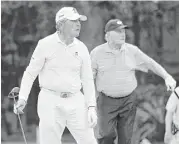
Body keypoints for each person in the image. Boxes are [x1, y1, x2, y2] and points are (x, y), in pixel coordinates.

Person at [14, 7, 98, 144]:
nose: (78, 24)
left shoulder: (82, 48)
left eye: (79, 21)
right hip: (50, 100)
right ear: (61, 24)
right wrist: (23, 98)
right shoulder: (45, 44)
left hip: (76, 100)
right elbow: (30, 74)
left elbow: (87, 80)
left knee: (89, 141)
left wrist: (91, 108)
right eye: (74, 21)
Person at [90, 19, 176, 144]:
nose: (123, 34)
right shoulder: (97, 53)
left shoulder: (132, 51)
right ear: (107, 36)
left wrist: (167, 76)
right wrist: (90, 102)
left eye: (123, 30)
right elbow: (89, 78)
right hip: (106, 101)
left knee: (126, 138)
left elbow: (150, 63)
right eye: (118, 31)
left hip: (128, 101)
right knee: (106, 136)